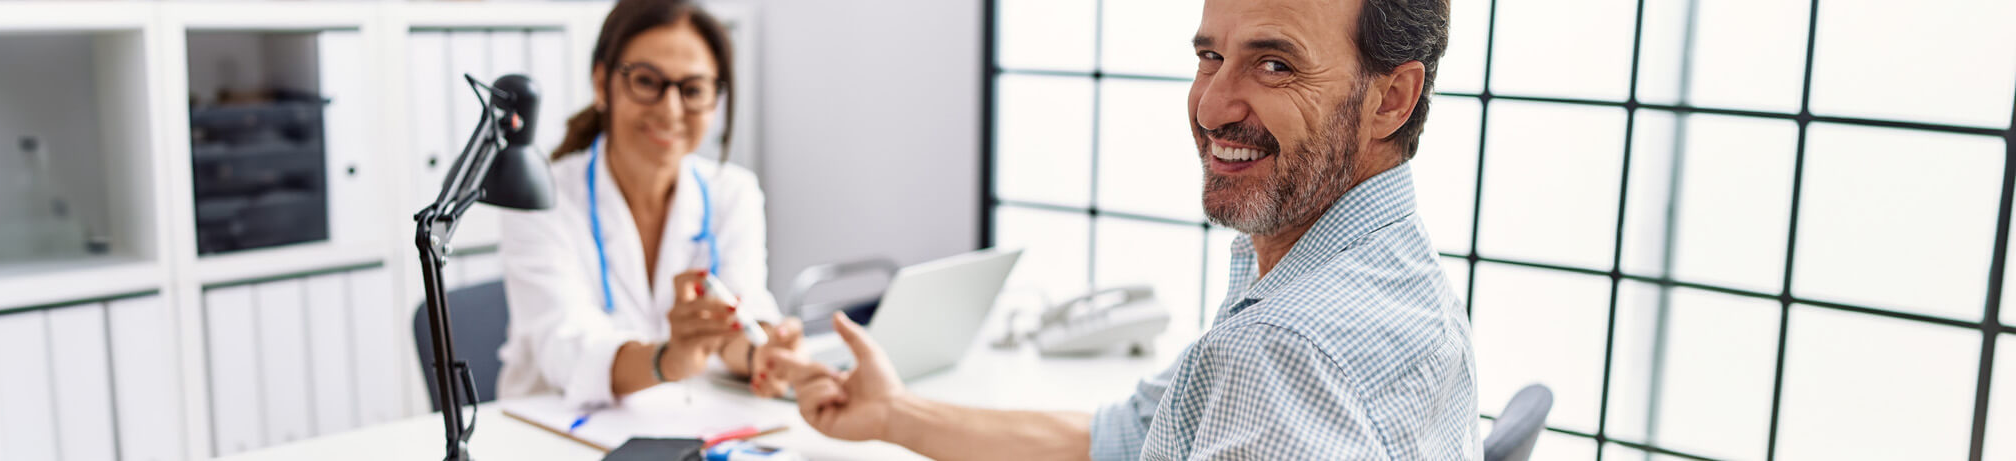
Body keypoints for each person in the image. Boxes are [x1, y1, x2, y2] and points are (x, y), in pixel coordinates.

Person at [780, 0, 1478, 458]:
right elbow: (1119, 439)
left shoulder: (1284, 348)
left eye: (1274, 65)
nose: (1210, 107)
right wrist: (894, 415)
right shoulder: (1393, 270)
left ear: (1390, 99)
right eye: (1209, 57)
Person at [497, 0, 805, 408]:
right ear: (601, 82)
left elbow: (738, 320)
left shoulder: (733, 193)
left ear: (716, 100)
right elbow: (565, 350)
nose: (670, 109)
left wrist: (761, 353)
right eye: (646, 81)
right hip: (551, 427)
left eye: (693, 90)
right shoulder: (542, 197)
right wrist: (668, 359)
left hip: (680, 420)